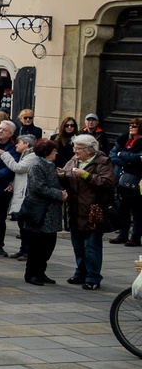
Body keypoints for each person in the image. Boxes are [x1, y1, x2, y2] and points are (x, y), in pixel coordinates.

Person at [60, 134, 115, 290]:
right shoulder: (74, 160)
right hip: (75, 210)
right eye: (75, 148)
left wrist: (86, 175)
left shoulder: (102, 162)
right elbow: (67, 175)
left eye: (78, 149)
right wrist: (62, 176)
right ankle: (80, 273)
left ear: (89, 150)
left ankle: (93, 277)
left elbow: (108, 183)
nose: (75, 152)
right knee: (77, 245)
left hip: (93, 211)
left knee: (91, 246)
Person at [18, 138, 65, 286]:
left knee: (48, 246)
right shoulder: (37, 166)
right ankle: (32, 274)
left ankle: (41, 272)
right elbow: (39, 188)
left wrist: (62, 177)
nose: (56, 153)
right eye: (54, 151)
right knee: (37, 247)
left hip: (51, 213)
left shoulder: (50, 165)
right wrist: (60, 194)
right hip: (40, 212)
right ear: (47, 152)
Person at [110, 117, 142, 248]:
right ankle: (122, 234)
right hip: (122, 178)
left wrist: (122, 155)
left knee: (138, 211)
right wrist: (128, 161)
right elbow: (112, 155)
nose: (131, 127)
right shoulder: (123, 139)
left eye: (135, 125)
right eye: (130, 125)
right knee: (123, 208)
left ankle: (135, 237)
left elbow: (140, 158)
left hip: (138, 179)